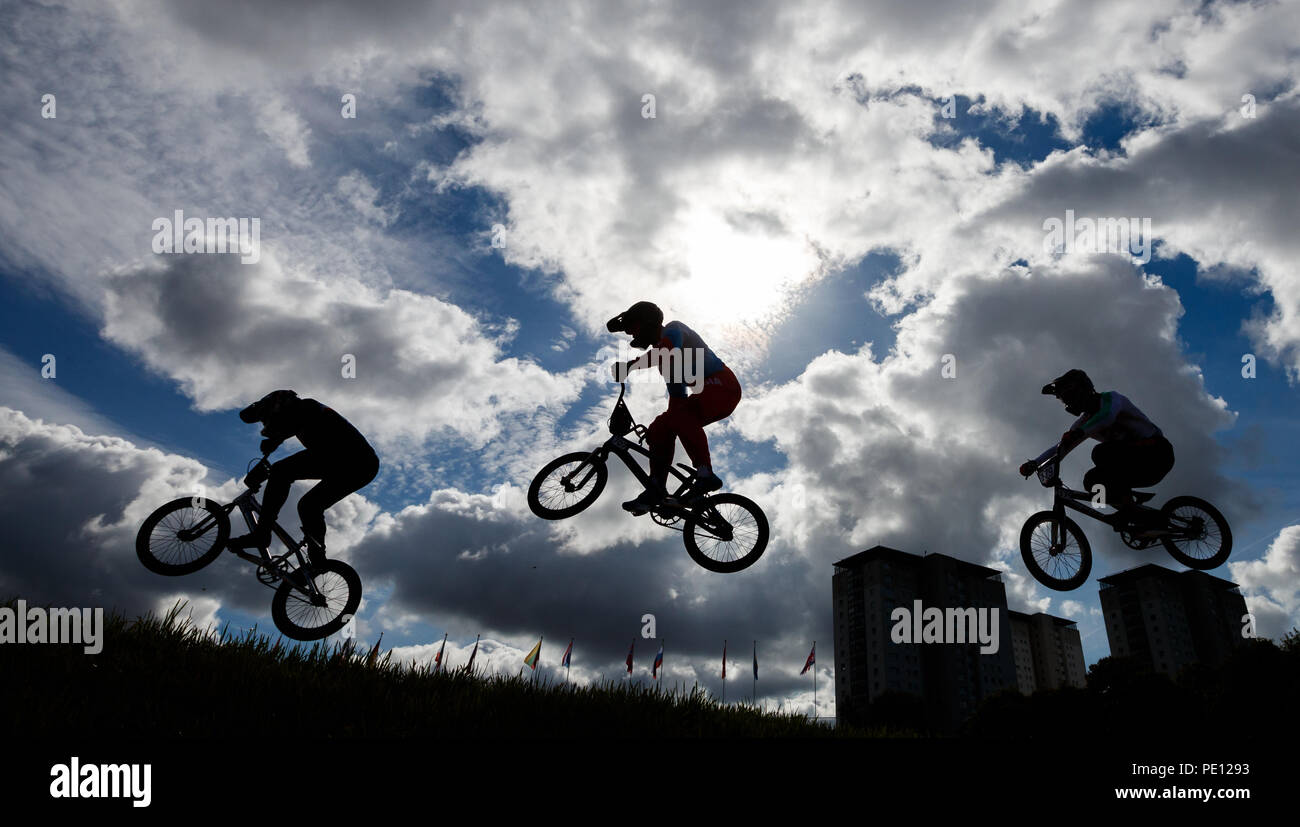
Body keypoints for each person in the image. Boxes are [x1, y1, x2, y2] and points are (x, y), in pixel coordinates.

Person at [606, 301, 741, 514]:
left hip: (722, 385)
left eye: (634, 329)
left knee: (678, 416)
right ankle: (656, 488)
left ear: (648, 323)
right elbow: (677, 400)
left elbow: (666, 349)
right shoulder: (665, 366)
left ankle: (705, 475)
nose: (633, 337)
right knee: (660, 427)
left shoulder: (674, 329)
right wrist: (660, 434)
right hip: (708, 393)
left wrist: (630, 366)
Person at [227, 389, 379, 566]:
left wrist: (272, 446)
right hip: (347, 462)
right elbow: (282, 437)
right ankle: (317, 557)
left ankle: (262, 533)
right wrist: (260, 471)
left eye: (266, 418)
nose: (265, 424)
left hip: (357, 461)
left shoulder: (308, 407)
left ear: (279, 408)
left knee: (282, 472)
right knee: (308, 506)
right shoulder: (292, 419)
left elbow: (294, 424)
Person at [1019, 369, 1174, 523]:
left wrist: (1080, 432)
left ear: (1082, 391)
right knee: (1092, 482)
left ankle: (1129, 509)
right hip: (1134, 465)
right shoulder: (1084, 422)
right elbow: (1061, 448)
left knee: (1101, 453)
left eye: (1069, 397)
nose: (1068, 403)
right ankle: (1136, 514)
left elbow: (1107, 416)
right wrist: (1035, 463)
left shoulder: (1111, 399)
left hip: (1156, 454)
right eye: (1065, 400)